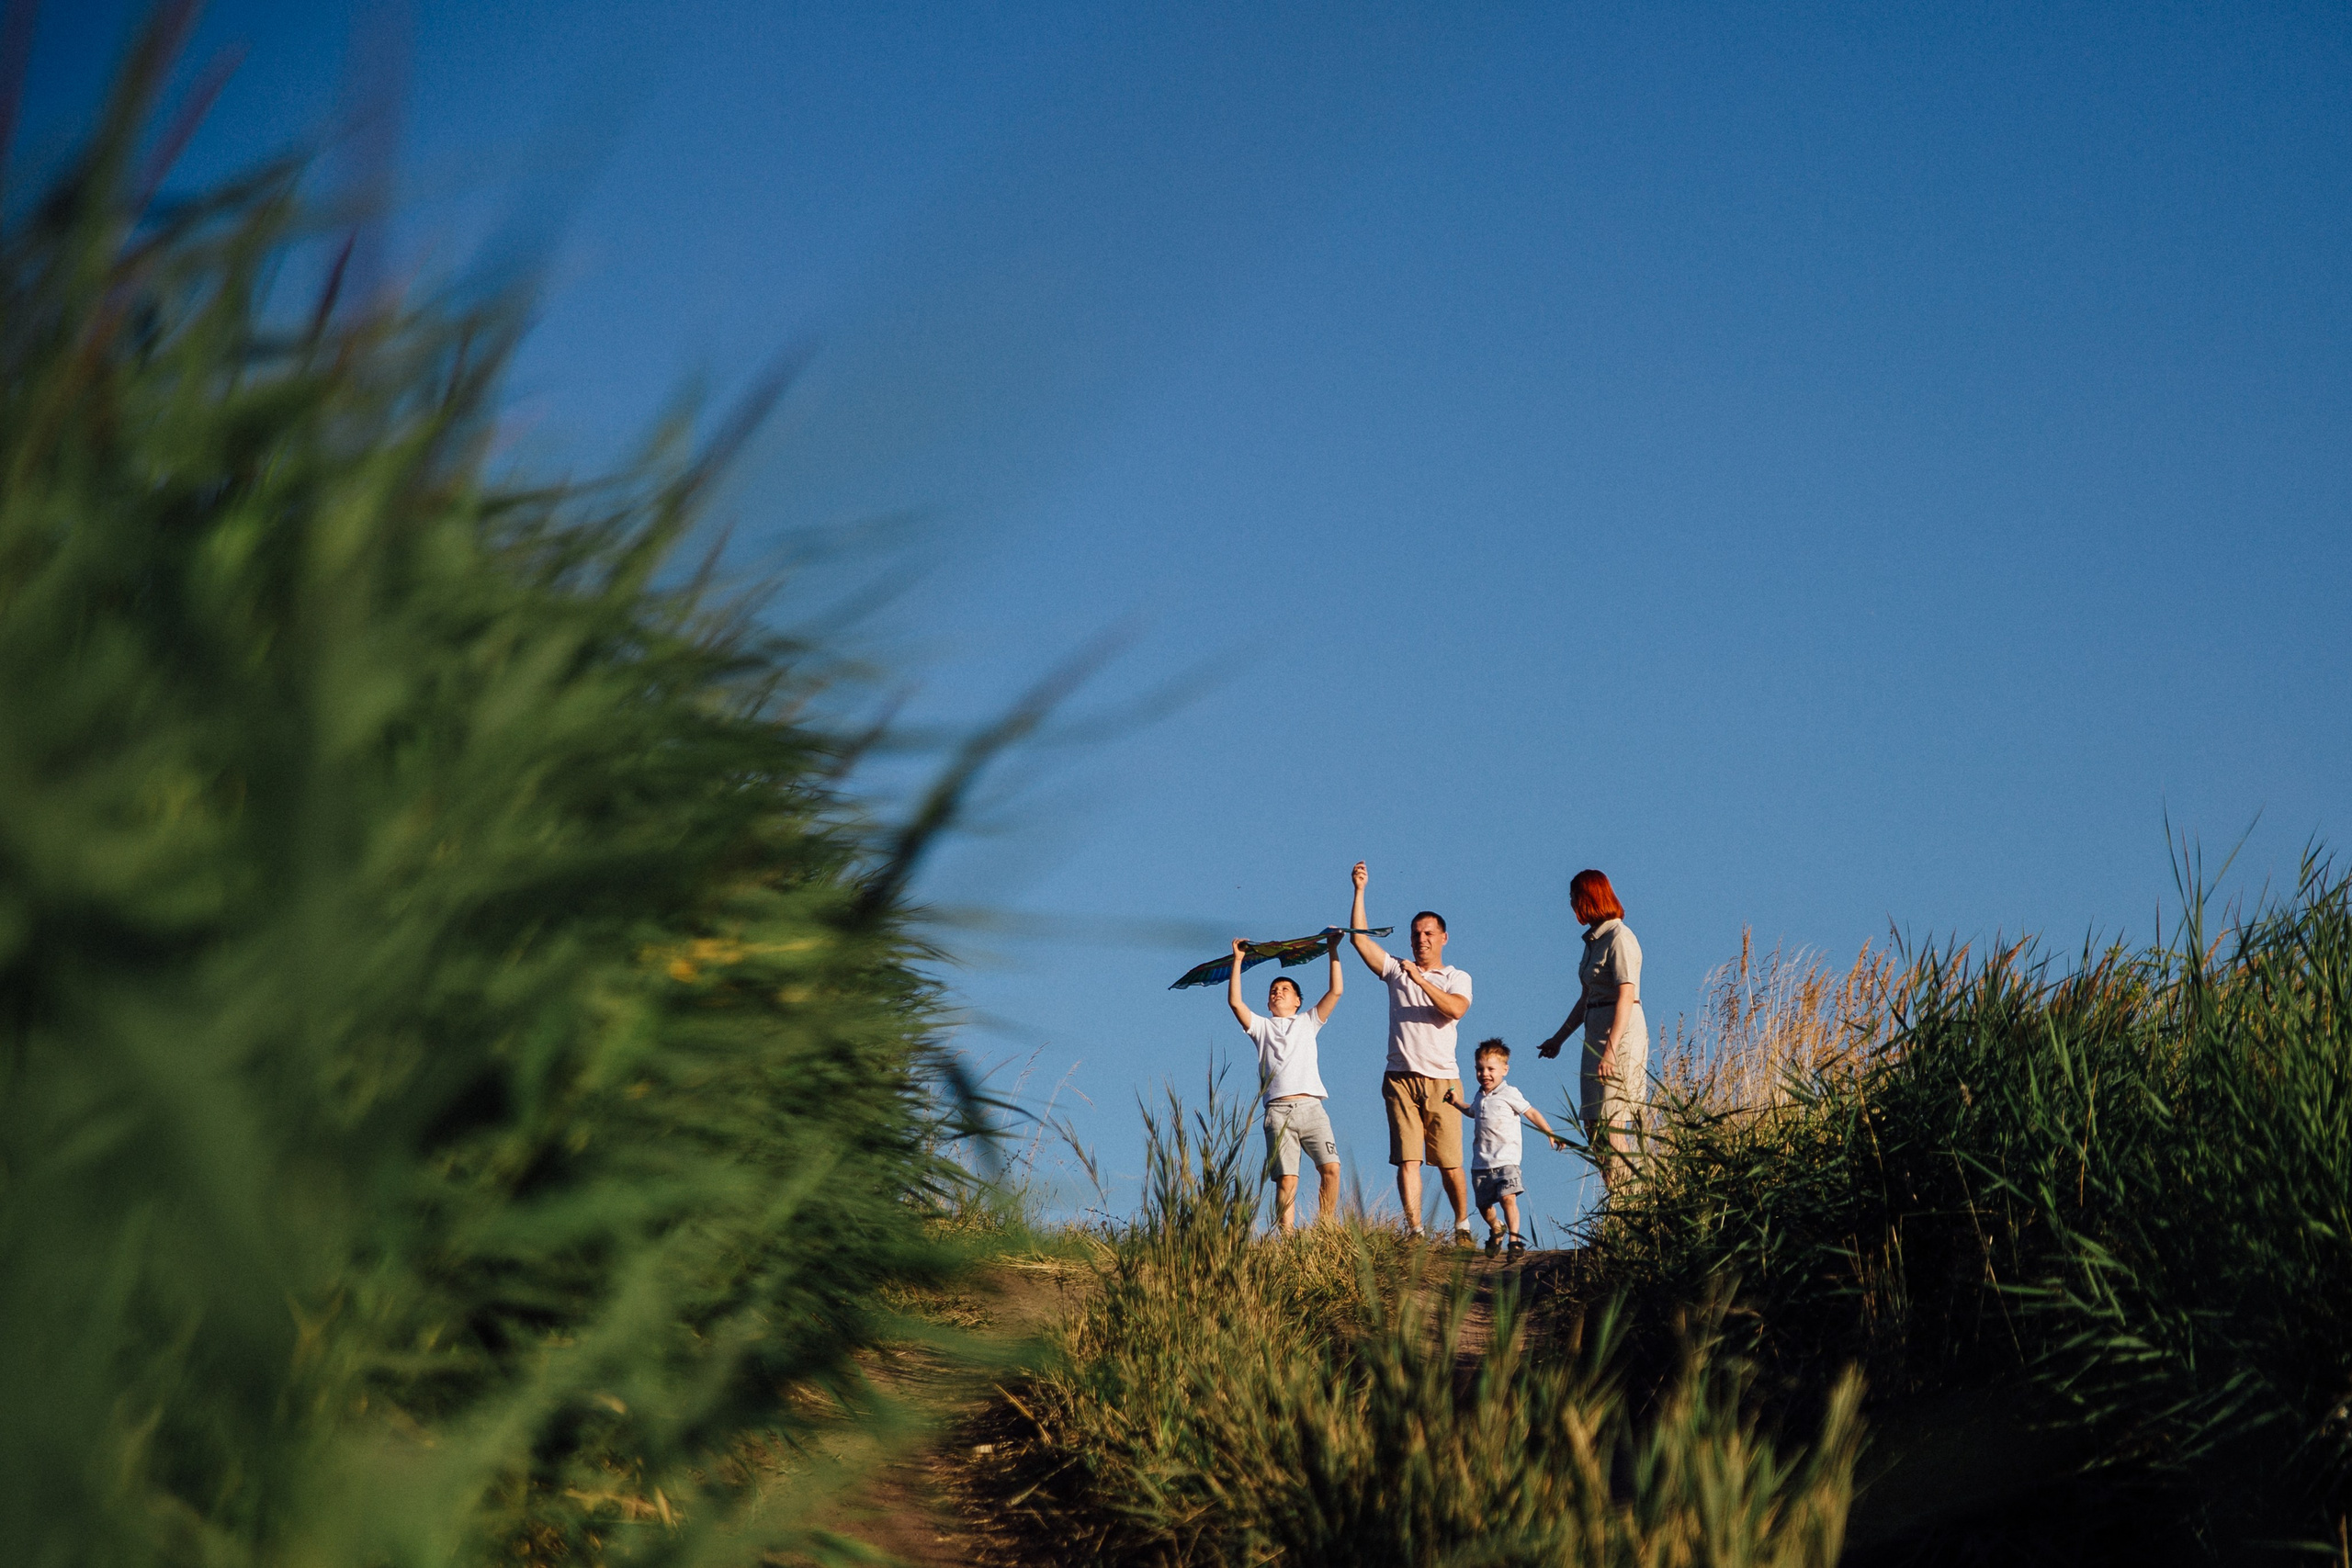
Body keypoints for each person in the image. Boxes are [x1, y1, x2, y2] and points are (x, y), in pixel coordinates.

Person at [1347, 861, 1476, 1245]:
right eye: (1416, 933)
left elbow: (1454, 1009)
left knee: (1450, 1162)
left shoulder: (1456, 976)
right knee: (1408, 1159)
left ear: (1444, 938)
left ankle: (1462, 1226)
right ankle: (1415, 1230)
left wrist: (1420, 980)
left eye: (1429, 933)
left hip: (1442, 1079)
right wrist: (1359, 890)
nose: (1421, 940)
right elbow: (1360, 941)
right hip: (1400, 1077)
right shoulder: (1395, 970)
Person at [1536, 869, 1647, 1194]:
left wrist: (1612, 1049)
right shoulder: (1593, 941)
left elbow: (1627, 993)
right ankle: (1616, 1193)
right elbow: (1586, 998)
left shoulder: (1620, 938)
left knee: (1613, 1119)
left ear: (1589, 898)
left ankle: (1628, 1201)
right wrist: (1559, 1038)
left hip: (1621, 1034)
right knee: (1593, 1124)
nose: (1571, 904)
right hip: (1594, 1031)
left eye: (1574, 897)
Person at [1226, 934, 1344, 1232]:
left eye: (1285, 989)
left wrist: (1332, 949)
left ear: (1297, 1000)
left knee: (1331, 1168)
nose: (1278, 993)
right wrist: (1238, 961)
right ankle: (1288, 1240)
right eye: (1274, 990)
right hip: (1278, 1113)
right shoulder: (1262, 1027)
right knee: (1287, 1180)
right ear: (1268, 1001)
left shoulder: (1309, 1021)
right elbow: (1235, 1003)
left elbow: (1336, 990)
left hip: (1311, 1107)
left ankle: (1327, 1228)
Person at [1444, 1039, 1568, 1253]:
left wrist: (1549, 1132)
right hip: (1481, 1162)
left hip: (1507, 1160)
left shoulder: (1509, 1093)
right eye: (1479, 1069)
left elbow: (1530, 1112)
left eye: (1491, 1069)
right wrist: (1456, 1102)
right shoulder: (1480, 1096)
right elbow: (1471, 1111)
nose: (1485, 1074)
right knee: (1484, 1207)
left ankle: (1514, 1240)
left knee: (1508, 1198)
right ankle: (1496, 1227)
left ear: (1505, 1070)